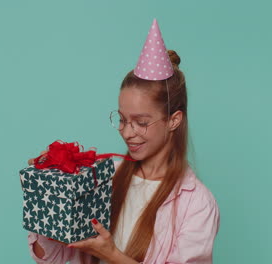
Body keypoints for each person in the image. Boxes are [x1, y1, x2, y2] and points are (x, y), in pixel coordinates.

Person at [26, 19, 220, 264]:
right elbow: (53, 257)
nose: (127, 132)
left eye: (141, 122)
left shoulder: (197, 204)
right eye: (122, 119)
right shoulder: (102, 178)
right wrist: (47, 197)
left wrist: (111, 255)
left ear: (174, 120)